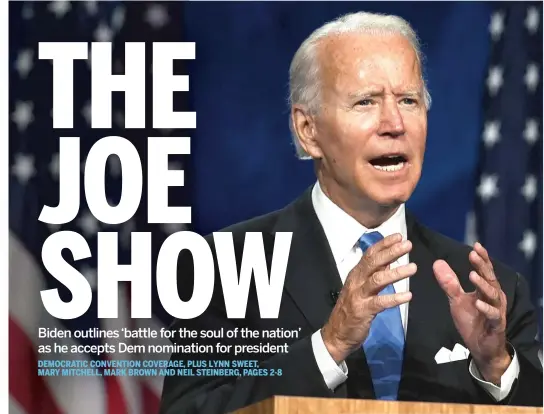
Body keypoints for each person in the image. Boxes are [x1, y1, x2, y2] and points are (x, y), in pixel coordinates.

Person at [159, 11, 543, 414]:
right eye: (366, 102)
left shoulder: (490, 289)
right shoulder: (229, 267)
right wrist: (328, 347)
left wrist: (496, 366)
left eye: (409, 100)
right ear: (309, 131)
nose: (394, 123)